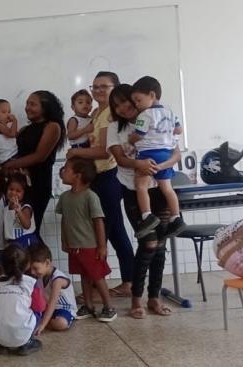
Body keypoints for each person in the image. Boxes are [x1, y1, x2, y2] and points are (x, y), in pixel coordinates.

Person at [107, 83, 180, 319]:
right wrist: (139, 164)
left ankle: (154, 299)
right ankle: (136, 299)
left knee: (160, 246)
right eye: (116, 105)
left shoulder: (156, 118)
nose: (123, 108)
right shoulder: (114, 128)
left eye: (126, 102)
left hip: (159, 188)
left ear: (136, 99)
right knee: (148, 243)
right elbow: (119, 158)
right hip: (133, 191)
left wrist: (162, 166)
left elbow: (176, 152)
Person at [67, 71, 134, 297]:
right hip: (97, 178)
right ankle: (122, 281)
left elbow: (104, 151)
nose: (97, 91)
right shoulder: (97, 112)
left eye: (103, 87)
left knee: (107, 232)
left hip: (108, 178)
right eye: (94, 87)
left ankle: (107, 283)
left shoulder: (111, 115)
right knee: (113, 232)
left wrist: (74, 153)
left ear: (115, 88)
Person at [56, 157, 117, 322]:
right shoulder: (64, 197)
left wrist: (102, 246)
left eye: (66, 169)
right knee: (84, 276)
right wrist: (64, 241)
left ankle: (109, 307)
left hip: (90, 246)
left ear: (78, 175)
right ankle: (88, 306)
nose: (63, 171)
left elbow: (98, 221)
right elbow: (64, 220)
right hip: (74, 246)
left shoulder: (91, 197)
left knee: (97, 276)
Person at [129, 76, 184, 238]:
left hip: (148, 154)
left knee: (141, 185)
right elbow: (179, 130)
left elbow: (138, 135)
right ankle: (176, 217)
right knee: (167, 188)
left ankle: (147, 215)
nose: (137, 105)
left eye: (138, 100)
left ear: (152, 95)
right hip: (166, 154)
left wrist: (130, 139)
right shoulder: (170, 112)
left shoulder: (144, 116)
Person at [2, 90, 65, 233]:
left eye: (33, 104)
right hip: (20, 184)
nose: (27, 107)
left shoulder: (52, 126)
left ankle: (40, 255)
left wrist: (11, 165)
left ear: (45, 107)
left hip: (39, 183)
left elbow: (39, 156)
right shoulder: (25, 128)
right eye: (27, 103)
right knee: (16, 228)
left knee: (31, 228)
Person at [0, 244, 45, 356]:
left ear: (2, 265)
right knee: (37, 312)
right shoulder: (31, 283)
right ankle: (26, 343)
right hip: (22, 333)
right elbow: (40, 306)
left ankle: (2, 344)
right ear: (27, 264)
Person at [29, 243, 77, 333]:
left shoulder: (57, 279)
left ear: (47, 263)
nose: (32, 272)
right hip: (48, 309)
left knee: (61, 323)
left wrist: (43, 325)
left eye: (35, 268)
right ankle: (44, 321)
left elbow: (52, 303)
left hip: (64, 309)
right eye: (30, 268)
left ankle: (44, 322)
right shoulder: (40, 276)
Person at [3, 173, 38, 247]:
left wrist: (19, 211)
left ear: (24, 193)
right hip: (11, 243)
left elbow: (27, 225)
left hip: (25, 242)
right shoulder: (6, 208)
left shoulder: (25, 208)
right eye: (11, 189)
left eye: (18, 191)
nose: (13, 193)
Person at [0, 99, 18, 165]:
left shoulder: (4, 127)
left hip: (10, 156)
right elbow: (12, 134)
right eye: (3, 112)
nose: (8, 115)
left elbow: (14, 135)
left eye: (9, 112)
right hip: (7, 158)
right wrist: (15, 121)